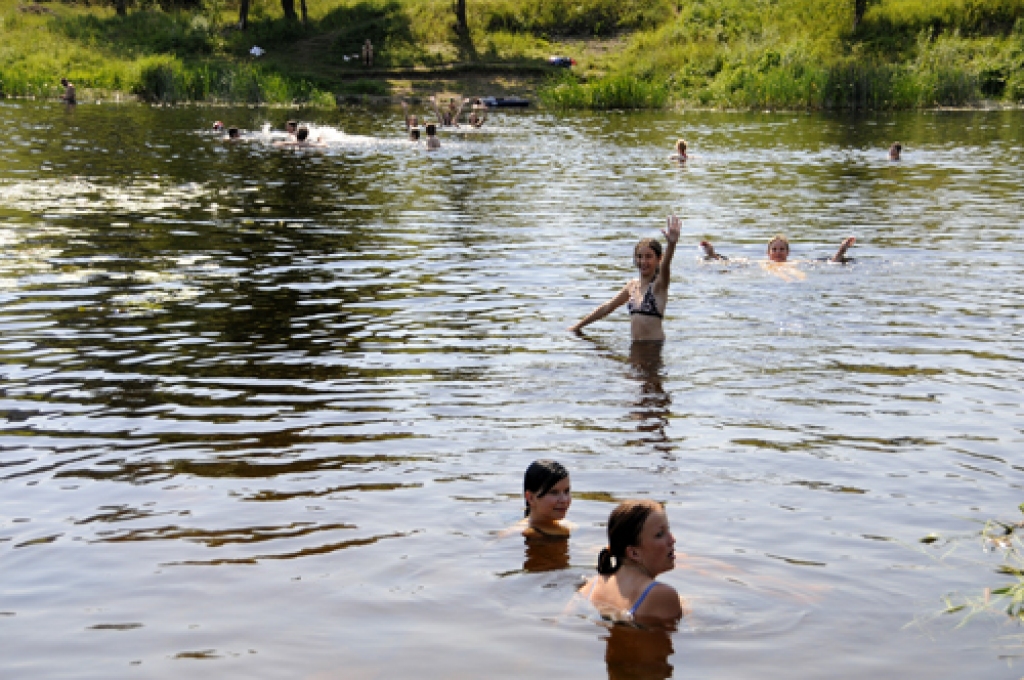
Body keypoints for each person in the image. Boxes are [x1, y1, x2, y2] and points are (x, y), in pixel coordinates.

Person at [569, 215, 681, 343]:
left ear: (659, 259)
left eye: (648, 256)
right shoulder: (632, 286)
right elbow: (607, 307)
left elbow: (665, 267)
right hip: (635, 347)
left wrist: (671, 244)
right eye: (639, 256)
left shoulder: (659, 286)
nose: (643, 261)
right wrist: (576, 327)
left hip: (653, 348)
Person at [581, 500, 684, 623]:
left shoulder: (592, 585)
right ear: (634, 553)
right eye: (660, 534)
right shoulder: (662, 594)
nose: (672, 539)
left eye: (668, 530)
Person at [700, 234, 856, 264]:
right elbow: (728, 262)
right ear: (768, 253)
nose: (778, 252)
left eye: (781, 249)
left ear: (788, 252)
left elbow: (831, 262)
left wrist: (842, 250)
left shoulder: (796, 262)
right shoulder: (759, 262)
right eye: (774, 250)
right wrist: (712, 254)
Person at [522, 460, 571, 539]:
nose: (564, 500)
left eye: (566, 491)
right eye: (554, 492)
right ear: (530, 498)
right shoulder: (531, 534)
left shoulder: (566, 525)